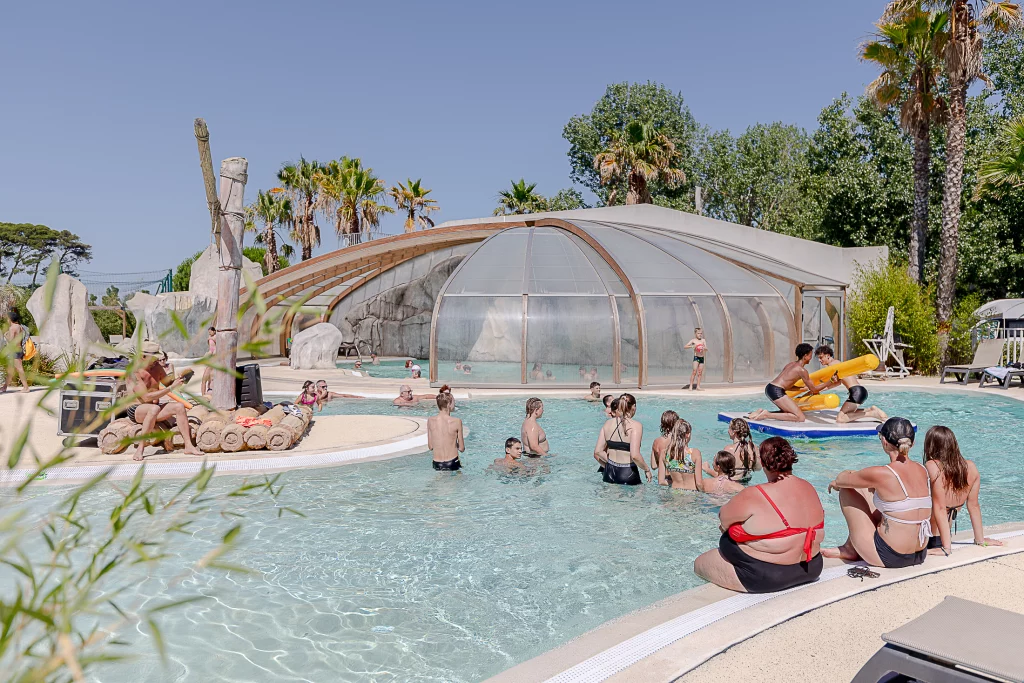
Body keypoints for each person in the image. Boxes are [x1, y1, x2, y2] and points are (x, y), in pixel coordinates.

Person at [694, 436, 824, 593]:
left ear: (762, 463)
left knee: (699, 564)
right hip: (811, 567)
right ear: (791, 458)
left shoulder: (755, 494)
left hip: (765, 577)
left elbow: (724, 518)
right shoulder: (809, 487)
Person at [823, 417, 931, 568]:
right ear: (911, 444)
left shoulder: (881, 473)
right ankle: (851, 546)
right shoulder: (923, 470)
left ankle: (850, 549)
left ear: (885, 442)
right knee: (868, 489)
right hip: (919, 554)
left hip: (890, 556)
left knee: (847, 489)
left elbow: (842, 478)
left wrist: (837, 483)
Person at [923, 426, 1002, 555]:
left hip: (928, 538)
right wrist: (980, 540)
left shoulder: (932, 466)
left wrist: (946, 548)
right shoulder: (971, 467)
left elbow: (941, 508)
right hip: (943, 536)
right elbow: (973, 506)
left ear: (930, 446)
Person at [127, 341, 202, 461]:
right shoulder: (133, 372)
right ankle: (140, 449)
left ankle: (189, 446)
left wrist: (181, 378)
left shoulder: (156, 367)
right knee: (154, 408)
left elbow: (168, 383)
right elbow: (146, 397)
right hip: (136, 409)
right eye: (154, 358)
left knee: (179, 407)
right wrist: (171, 388)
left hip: (153, 409)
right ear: (143, 356)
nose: (156, 361)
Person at [747, 343, 841, 423]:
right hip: (777, 390)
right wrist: (830, 381)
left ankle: (761, 412)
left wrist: (801, 389)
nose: (811, 357)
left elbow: (786, 385)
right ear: (805, 356)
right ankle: (766, 415)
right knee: (800, 417)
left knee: (788, 412)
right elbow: (814, 389)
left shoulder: (791, 364)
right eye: (810, 355)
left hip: (770, 388)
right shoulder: (802, 370)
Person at [815, 345, 887, 424]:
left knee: (840, 419)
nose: (819, 360)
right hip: (859, 391)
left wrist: (818, 388)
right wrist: (821, 389)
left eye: (821, 357)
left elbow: (831, 381)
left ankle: (871, 413)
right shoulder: (838, 363)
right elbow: (837, 383)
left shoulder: (832, 365)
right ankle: (870, 410)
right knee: (846, 414)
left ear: (827, 355)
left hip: (856, 392)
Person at [594, 393, 651, 485]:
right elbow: (635, 455)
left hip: (609, 473)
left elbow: (598, 451)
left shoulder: (607, 423)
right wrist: (646, 469)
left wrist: (610, 465)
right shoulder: (636, 426)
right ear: (634, 406)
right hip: (627, 472)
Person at [708, 418, 760, 483]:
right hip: (746, 483)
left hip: (731, 485)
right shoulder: (753, 447)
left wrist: (707, 469)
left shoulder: (729, 449)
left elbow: (721, 476)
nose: (728, 431)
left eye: (729, 428)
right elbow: (758, 468)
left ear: (733, 432)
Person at [657, 419, 702, 490]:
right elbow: (699, 483)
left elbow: (661, 481)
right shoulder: (695, 453)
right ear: (688, 434)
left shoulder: (664, 453)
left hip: (675, 492)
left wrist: (675, 483)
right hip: (691, 494)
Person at [427, 390, 464, 471]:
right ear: (448, 404)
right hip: (452, 462)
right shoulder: (457, 421)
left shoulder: (430, 421)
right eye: (453, 402)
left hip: (437, 463)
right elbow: (461, 448)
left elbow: (430, 446)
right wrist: (453, 443)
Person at [2, 309, 30, 393]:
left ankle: (26, 387)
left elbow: (11, 341)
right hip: (19, 349)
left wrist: (6, 336)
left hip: (14, 351)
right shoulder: (20, 327)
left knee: (19, 369)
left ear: (10, 319)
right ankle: (4, 387)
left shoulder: (12, 328)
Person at [650, 410, 679, 478]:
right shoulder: (678, 441)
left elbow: (653, 466)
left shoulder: (656, 442)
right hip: (675, 478)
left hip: (661, 478)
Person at [200, 326, 216, 396]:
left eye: (210, 331)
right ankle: (203, 394)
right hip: (211, 351)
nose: (209, 333)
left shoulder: (215, 337)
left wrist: (211, 338)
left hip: (214, 352)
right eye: (209, 332)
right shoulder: (210, 337)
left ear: (214, 331)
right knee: (205, 379)